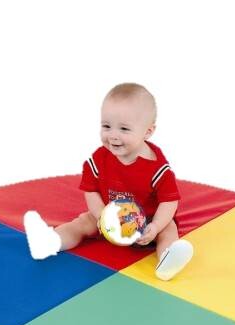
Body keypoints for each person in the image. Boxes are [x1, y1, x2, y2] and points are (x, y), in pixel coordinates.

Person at [24, 82, 193, 281]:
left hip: (146, 223)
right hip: (108, 219)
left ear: (148, 132)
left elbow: (169, 202)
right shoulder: (99, 159)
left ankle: (166, 259)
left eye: (124, 129)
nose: (113, 136)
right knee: (82, 222)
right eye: (106, 126)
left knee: (169, 229)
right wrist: (101, 216)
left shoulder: (158, 169)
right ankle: (50, 242)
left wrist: (155, 226)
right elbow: (91, 190)